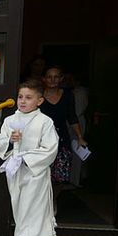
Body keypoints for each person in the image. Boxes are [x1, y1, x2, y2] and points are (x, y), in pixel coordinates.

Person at [0, 79, 58, 236]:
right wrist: (11, 143)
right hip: (16, 173)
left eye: (28, 98)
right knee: (22, 212)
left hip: (34, 174)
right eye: (21, 97)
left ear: (39, 101)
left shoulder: (45, 122)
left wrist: (27, 158)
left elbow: (50, 149)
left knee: (29, 211)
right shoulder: (10, 120)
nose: (23, 101)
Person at [39, 66, 85, 196]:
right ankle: (43, 202)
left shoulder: (68, 95)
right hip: (41, 141)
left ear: (61, 78)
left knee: (60, 176)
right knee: (41, 175)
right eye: (49, 77)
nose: (52, 80)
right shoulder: (38, 96)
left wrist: (80, 137)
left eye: (56, 76)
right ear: (44, 79)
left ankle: (53, 200)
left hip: (62, 139)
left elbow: (72, 117)